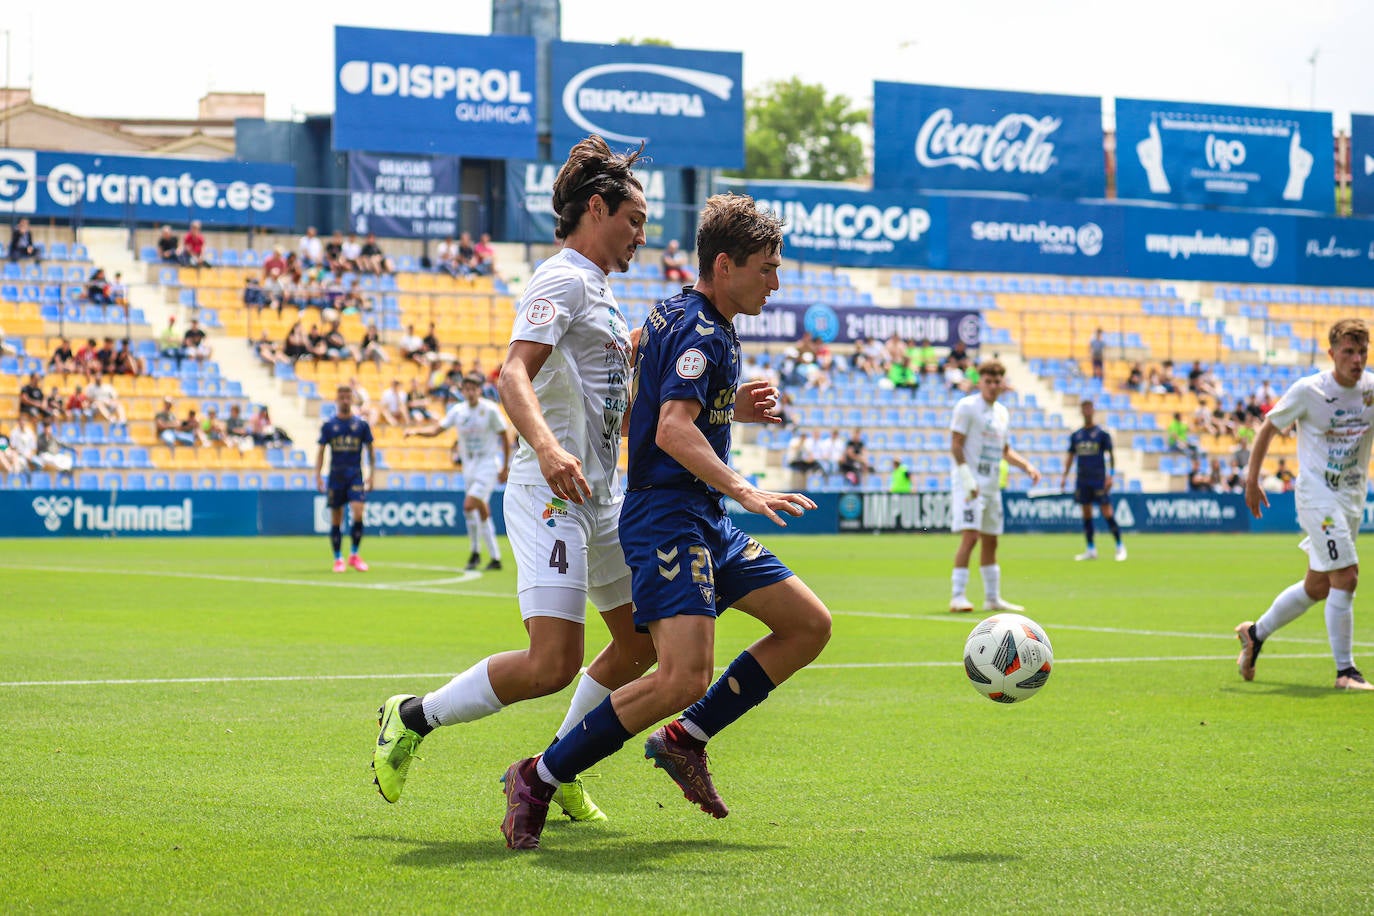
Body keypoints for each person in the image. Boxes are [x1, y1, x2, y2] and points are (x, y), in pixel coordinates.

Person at [497, 192, 831, 851]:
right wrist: (744, 485)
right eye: (766, 268)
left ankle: (687, 737)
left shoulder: (683, 312)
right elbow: (675, 431)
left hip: (699, 518)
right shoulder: (702, 331)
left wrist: (732, 411)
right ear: (726, 264)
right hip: (670, 521)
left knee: (808, 625)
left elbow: (655, 407)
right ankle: (539, 775)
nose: (776, 282)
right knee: (680, 677)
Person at [370, 134, 659, 830]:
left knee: (642, 642)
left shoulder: (603, 294)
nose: (641, 237)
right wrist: (550, 447)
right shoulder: (561, 278)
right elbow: (512, 373)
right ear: (597, 207)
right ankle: (411, 716)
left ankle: (557, 766)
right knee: (552, 663)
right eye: (634, 220)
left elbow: (609, 391)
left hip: (602, 497)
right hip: (551, 493)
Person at [1237, 318, 1374, 692]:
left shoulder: (1371, 389)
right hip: (1316, 497)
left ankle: (1255, 633)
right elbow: (1268, 426)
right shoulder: (1309, 390)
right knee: (1346, 576)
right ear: (1331, 354)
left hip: (1350, 498)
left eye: (1362, 351)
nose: (1357, 359)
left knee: (1319, 586)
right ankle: (1346, 671)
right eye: (1348, 351)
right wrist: (1252, 480)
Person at [948, 360, 1042, 613]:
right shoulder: (967, 407)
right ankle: (957, 596)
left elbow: (1004, 450)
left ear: (1003, 383)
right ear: (980, 382)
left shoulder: (1002, 412)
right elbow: (956, 444)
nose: (992, 386)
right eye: (987, 381)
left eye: (996, 381)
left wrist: (1026, 466)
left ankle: (992, 597)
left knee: (991, 540)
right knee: (971, 537)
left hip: (991, 485)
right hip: (969, 484)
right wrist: (967, 479)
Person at [406, 372, 511, 570]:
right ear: (462, 391)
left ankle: (474, 552)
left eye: (474, 388)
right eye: (467, 389)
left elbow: (504, 435)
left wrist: (505, 466)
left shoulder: (489, 410)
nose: (470, 392)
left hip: (487, 464)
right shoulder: (458, 411)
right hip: (469, 466)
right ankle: (495, 557)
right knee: (481, 509)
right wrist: (415, 431)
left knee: (469, 505)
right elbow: (437, 430)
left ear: (479, 390)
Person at [315, 385, 375, 572]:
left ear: (352, 399)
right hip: (336, 476)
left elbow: (371, 451)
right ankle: (338, 558)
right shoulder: (329, 425)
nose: (345, 400)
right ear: (337, 399)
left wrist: (372, 474)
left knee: (358, 511)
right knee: (336, 518)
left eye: (348, 396)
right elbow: (321, 451)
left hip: (355, 475)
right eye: (342, 397)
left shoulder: (361, 426)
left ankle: (354, 555)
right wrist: (318, 475)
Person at [1061, 399, 1125, 561]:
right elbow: (1070, 456)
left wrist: (1111, 475)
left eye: (1089, 408)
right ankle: (1090, 549)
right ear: (1081, 411)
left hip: (1099, 479)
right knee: (1086, 513)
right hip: (1083, 479)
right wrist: (1064, 476)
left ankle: (1119, 546)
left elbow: (1110, 456)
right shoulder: (1077, 435)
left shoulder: (1102, 434)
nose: (1087, 411)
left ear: (1093, 410)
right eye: (1084, 409)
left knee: (1107, 511)